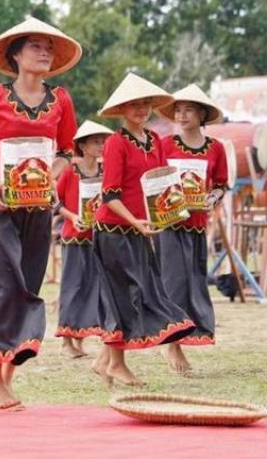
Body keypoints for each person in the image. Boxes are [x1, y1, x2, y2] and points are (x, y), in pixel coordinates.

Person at [0, 18, 81, 409]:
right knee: (5, 281)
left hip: (39, 207)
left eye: (49, 47)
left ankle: (10, 370)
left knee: (28, 281)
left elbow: (67, 153)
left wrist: (51, 181)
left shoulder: (60, 99)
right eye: (35, 46)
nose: (44, 52)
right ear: (15, 55)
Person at [92, 73, 195, 387]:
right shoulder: (115, 143)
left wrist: (172, 210)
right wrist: (137, 222)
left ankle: (104, 361)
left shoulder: (154, 141)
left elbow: (160, 182)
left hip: (142, 229)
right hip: (113, 230)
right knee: (122, 294)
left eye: (145, 103)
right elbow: (109, 196)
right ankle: (116, 364)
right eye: (134, 104)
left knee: (142, 292)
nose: (141, 109)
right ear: (123, 109)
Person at [154, 84, 228, 373]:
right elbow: (152, 179)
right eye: (178, 110)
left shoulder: (216, 149)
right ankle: (173, 346)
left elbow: (220, 185)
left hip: (197, 226)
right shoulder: (164, 145)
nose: (182, 115)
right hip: (169, 224)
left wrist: (211, 198)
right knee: (174, 283)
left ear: (202, 114)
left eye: (188, 110)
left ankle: (184, 336)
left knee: (195, 282)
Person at [54, 121, 113, 359]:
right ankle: (67, 341)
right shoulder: (69, 171)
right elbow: (55, 201)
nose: (101, 146)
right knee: (72, 287)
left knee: (93, 288)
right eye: (96, 142)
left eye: (103, 142)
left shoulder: (105, 172)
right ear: (83, 146)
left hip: (97, 238)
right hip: (73, 238)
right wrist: (72, 217)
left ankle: (80, 337)